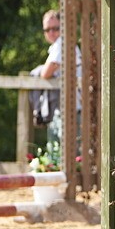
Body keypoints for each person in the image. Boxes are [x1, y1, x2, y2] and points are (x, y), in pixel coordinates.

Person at [33, 9, 82, 144]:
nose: (51, 33)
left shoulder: (62, 43)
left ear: (62, 27)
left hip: (72, 108)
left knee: (64, 154)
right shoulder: (61, 44)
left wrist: (41, 70)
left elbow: (46, 73)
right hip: (66, 108)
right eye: (47, 29)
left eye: (55, 28)